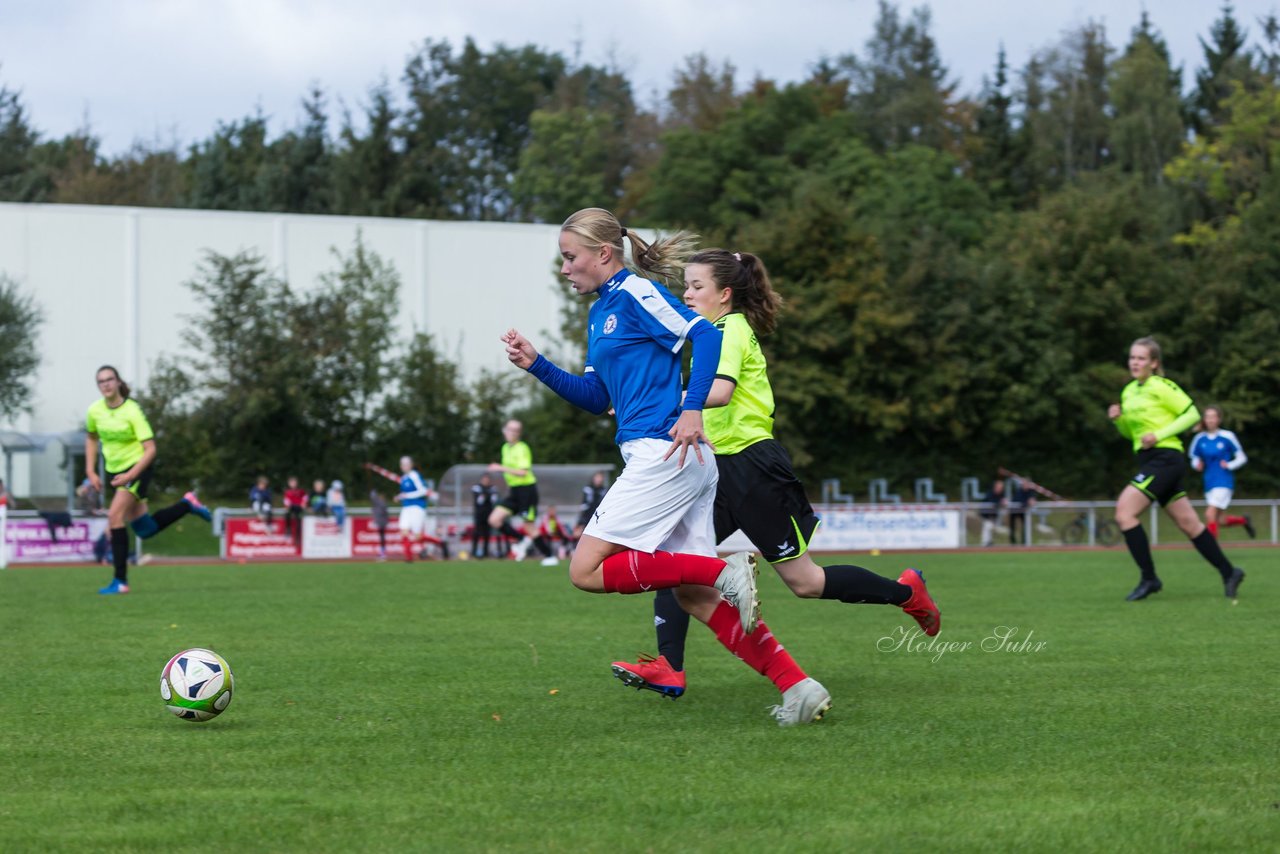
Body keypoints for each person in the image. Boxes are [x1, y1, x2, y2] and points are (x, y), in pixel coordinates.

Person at [501, 206, 827, 726]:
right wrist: (537, 365)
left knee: (584, 571)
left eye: (570, 257)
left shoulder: (636, 293)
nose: (564, 269)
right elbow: (595, 396)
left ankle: (723, 570)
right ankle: (798, 685)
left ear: (603, 254)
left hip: (664, 454)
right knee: (694, 598)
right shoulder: (600, 311)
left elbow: (707, 335)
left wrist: (693, 408)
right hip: (672, 457)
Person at [610, 248, 939, 702]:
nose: (686, 294)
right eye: (685, 285)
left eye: (696, 286)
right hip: (716, 468)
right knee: (673, 562)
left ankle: (906, 593)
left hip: (750, 467)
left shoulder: (729, 330)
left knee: (806, 583)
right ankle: (670, 666)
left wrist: (654, 401)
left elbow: (721, 392)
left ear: (725, 295)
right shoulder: (715, 330)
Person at [1108, 337, 1245, 601]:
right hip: (1148, 460)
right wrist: (1119, 421)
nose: (1135, 362)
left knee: (1124, 512)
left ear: (1154, 363)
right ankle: (1230, 572)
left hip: (1166, 459)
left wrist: (1159, 435)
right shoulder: (1128, 392)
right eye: (1132, 357)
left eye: (1141, 358)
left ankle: (1150, 579)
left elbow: (1192, 414)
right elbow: (1131, 435)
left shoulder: (1162, 386)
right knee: (1190, 524)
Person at [84, 364, 211, 594]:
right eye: (101, 381)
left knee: (114, 517)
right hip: (117, 473)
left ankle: (120, 581)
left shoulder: (132, 410)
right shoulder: (95, 411)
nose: (106, 384)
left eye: (110, 379)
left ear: (118, 381)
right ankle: (187, 504)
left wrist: (132, 475)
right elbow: (91, 438)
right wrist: (91, 471)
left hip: (137, 467)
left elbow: (151, 449)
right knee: (145, 529)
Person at [1188, 405, 1254, 539]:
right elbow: (1193, 459)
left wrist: (1229, 465)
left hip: (1224, 481)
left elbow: (1242, 458)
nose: (1210, 420)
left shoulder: (1227, 436)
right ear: (1204, 420)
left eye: (1213, 417)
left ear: (1219, 419)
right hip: (1209, 481)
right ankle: (1244, 521)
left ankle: (1212, 548)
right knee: (1219, 520)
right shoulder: (1200, 438)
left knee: (1209, 514)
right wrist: (1197, 465)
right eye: (1207, 417)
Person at [487, 420, 540, 560]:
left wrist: (500, 468)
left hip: (527, 491)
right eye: (510, 429)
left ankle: (549, 555)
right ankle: (522, 539)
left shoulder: (522, 448)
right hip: (514, 491)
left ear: (519, 433)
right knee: (494, 519)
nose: (513, 432)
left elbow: (523, 472)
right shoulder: (505, 447)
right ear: (504, 430)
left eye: (516, 430)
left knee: (529, 526)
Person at [394, 456, 432, 563]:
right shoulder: (404, 478)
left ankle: (441, 543)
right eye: (402, 464)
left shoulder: (414, 475)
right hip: (406, 507)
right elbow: (405, 494)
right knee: (403, 530)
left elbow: (423, 491)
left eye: (406, 464)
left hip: (417, 507)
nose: (404, 466)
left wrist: (407, 496)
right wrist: (400, 497)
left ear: (411, 465)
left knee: (417, 535)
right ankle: (409, 557)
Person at [573, 470, 609, 542]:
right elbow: (585, 504)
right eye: (597, 477)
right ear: (593, 478)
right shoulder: (588, 489)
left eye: (600, 478)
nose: (598, 479)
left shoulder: (604, 490)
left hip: (599, 516)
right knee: (582, 534)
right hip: (587, 515)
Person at [470, 473, 499, 558]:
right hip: (479, 514)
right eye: (484, 479)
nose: (486, 481)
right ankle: (474, 552)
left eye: (487, 479)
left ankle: (486, 552)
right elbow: (480, 500)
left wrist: (485, 494)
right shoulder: (477, 487)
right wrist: (486, 495)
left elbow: (494, 500)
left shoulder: (492, 488)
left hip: (489, 514)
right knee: (477, 533)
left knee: (487, 533)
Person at [979, 476, 1005, 547]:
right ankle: (985, 543)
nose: (1000, 489)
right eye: (999, 487)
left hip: (993, 515)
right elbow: (992, 503)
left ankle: (988, 542)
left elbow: (999, 504)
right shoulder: (990, 493)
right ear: (995, 487)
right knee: (987, 527)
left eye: (1001, 487)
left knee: (990, 528)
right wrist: (1000, 502)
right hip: (986, 514)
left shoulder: (1000, 494)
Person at [283, 476, 308, 544]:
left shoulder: (300, 490)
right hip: (291, 507)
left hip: (299, 507)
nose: (293, 484)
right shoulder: (287, 491)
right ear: (289, 484)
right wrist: (287, 506)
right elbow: (286, 500)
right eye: (291, 483)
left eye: (294, 482)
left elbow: (305, 497)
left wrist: (304, 503)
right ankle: (288, 529)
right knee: (287, 514)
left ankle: (298, 538)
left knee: (298, 522)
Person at [369, 488, 390, 560]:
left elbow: (373, 497)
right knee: (382, 537)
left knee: (382, 538)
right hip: (382, 522)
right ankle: (382, 552)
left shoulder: (380, 503)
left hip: (381, 522)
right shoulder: (382, 503)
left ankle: (383, 553)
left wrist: (373, 492)